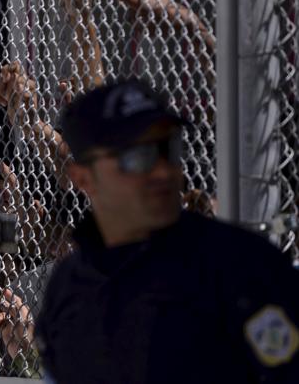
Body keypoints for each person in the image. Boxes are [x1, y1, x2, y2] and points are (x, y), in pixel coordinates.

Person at [35, 79, 299, 383]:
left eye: (168, 148)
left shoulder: (241, 268)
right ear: (83, 178)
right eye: (136, 158)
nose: (163, 170)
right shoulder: (70, 284)